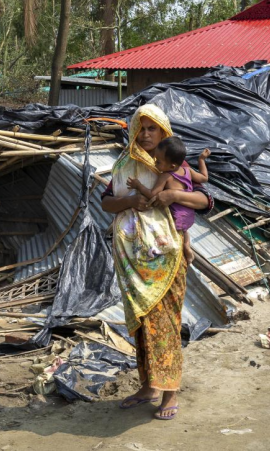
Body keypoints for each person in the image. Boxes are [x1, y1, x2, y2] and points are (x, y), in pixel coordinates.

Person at [102, 105, 211, 421]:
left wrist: (170, 198)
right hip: (131, 259)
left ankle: (170, 391)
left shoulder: (174, 165)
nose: (147, 134)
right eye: (142, 127)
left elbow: (205, 200)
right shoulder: (124, 165)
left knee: (164, 325)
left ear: (165, 132)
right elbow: (107, 202)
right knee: (140, 324)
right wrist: (128, 201)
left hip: (166, 259)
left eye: (153, 128)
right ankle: (148, 387)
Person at [125, 136, 210, 264]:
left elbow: (152, 194)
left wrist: (138, 186)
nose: (155, 163)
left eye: (158, 162)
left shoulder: (166, 176)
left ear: (172, 166)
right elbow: (204, 177)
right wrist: (201, 159)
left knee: (167, 236)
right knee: (184, 232)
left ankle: (159, 252)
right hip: (189, 215)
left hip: (175, 216)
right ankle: (187, 246)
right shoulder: (188, 171)